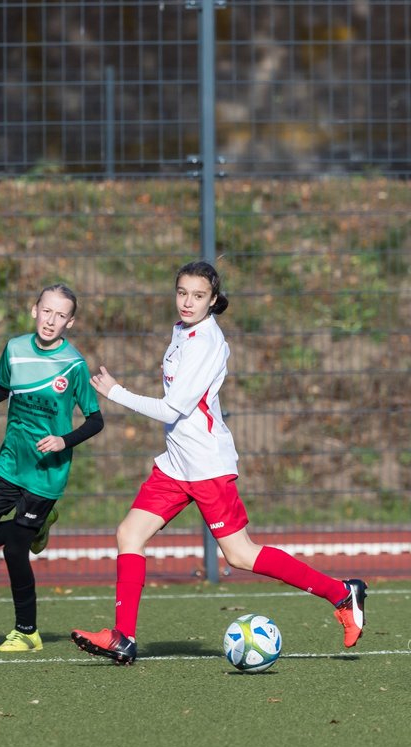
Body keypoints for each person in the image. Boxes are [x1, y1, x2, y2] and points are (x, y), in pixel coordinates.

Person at [69, 260, 367, 665]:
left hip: (207, 466)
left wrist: (116, 392)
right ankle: (123, 637)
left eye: (198, 296)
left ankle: (341, 593)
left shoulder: (208, 342)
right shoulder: (180, 331)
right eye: (182, 293)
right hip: (176, 464)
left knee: (241, 556)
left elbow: (173, 408)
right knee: (129, 534)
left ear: (213, 300)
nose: (187, 302)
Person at [0, 283, 103, 653]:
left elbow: (95, 420)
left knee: (15, 549)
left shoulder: (73, 364)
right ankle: (40, 524)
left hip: (47, 472)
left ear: (70, 323)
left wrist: (64, 440)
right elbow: (0, 390)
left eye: (61, 315)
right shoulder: (14, 349)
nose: (51, 320)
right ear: (34, 310)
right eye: (47, 311)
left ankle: (27, 632)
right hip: (10, 462)